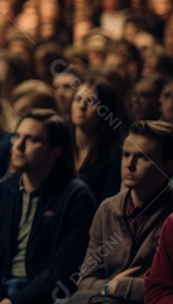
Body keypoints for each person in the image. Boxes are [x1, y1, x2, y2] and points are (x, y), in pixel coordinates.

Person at [0, 109, 97, 304]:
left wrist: (15, 302)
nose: (19, 146)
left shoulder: (76, 197)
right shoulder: (0, 192)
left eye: (32, 139)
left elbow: (65, 268)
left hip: (41, 297)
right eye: (17, 137)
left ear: (55, 152)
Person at [66, 120, 173, 304]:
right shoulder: (108, 209)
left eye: (143, 157)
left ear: (168, 166)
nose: (129, 165)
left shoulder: (170, 216)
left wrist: (121, 286)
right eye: (126, 155)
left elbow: (163, 287)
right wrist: (110, 286)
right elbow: (84, 280)